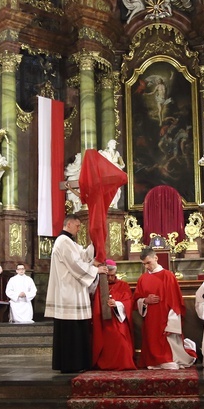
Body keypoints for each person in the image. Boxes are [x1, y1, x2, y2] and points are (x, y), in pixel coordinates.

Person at [45, 214, 107, 373]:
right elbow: (77, 264)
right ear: (70, 224)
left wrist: (96, 242)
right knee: (71, 330)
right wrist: (96, 270)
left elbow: (84, 256)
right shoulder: (63, 242)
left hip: (73, 291)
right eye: (78, 226)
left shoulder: (69, 242)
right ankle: (71, 364)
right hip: (68, 292)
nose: (79, 229)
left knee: (76, 329)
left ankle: (77, 363)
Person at [134, 248, 197, 370]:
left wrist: (172, 321)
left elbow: (175, 300)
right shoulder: (142, 278)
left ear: (156, 258)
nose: (147, 266)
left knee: (165, 342)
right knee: (151, 339)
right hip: (150, 317)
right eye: (144, 264)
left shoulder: (168, 276)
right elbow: (136, 299)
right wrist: (145, 300)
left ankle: (166, 359)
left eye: (148, 263)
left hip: (165, 316)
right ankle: (153, 360)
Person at [92, 259, 137, 371]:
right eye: (108, 276)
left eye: (112, 275)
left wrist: (116, 304)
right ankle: (106, 363)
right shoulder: (99, 286)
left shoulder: (123, 285)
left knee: (121, 339)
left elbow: (128, 301)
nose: (110, 278)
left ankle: (124, 363)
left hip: (119, 319)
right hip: (104, 320)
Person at [98, 139, 125, 209]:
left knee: (117, 189)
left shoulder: (117, 153)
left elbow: (122, 163)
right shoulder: (104, 153)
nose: (115, 145)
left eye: (115, 144)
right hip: (109, 173)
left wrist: (120, 165)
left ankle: (114, 204)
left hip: (117, 172)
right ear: (110, 144)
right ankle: (110, 203)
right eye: (114, 144)